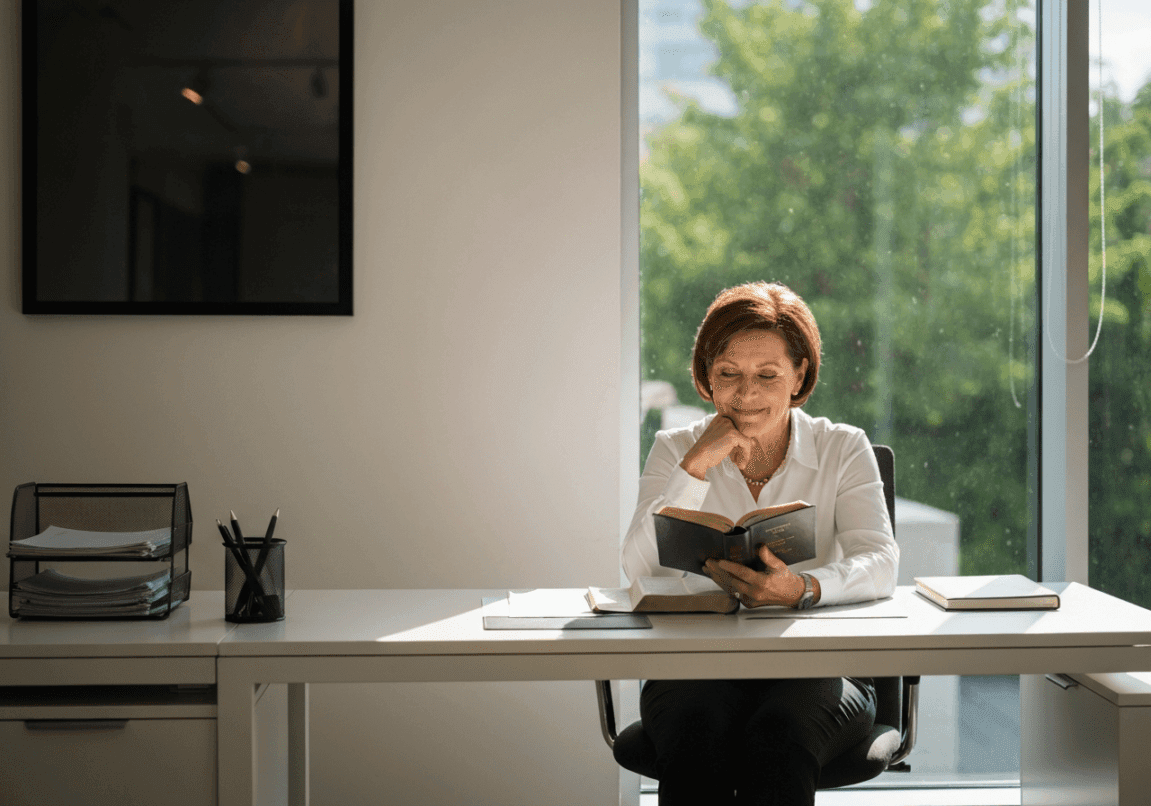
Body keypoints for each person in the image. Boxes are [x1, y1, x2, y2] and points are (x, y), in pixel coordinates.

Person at [622, 281, 899, 806]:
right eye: (728, 373)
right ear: (707, 376)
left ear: (799, 376)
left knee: (778, 740)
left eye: (767, 375)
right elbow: (636, 568)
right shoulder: (675, 448)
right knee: (695, 733)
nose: (745, 394)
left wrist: (802, 588)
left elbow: (881, 561)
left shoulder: (843, 447)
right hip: (694, 666)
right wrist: (694, 469)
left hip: (817, 668)